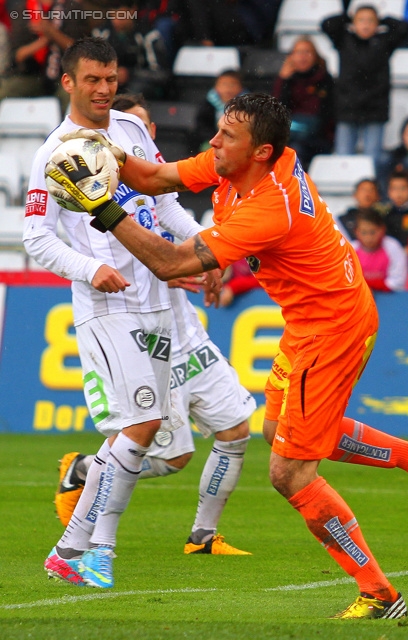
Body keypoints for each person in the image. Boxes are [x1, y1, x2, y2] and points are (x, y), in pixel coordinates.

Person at [53, 92, 408, 619]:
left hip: (333, 329)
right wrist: (104, 152)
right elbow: (155, 178)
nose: (214, 141)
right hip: (313, 320)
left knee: (289, 472)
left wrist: (101, 206)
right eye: (219, 129)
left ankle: (379, 594)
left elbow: (172, 264)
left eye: (227, 136)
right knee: (282, 432)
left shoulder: (271, 205)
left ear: (262, 151)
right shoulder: (236, 162)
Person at [23, 37, 213, 590]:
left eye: (110, 79)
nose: (104, 89)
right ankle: (91, 549)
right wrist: (89, 268)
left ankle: (76, 549)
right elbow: (36, 238)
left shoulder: (130, 130)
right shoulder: (53, 154)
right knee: (143, 425)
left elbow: (164, 203)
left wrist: (205, 248)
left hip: (159, 298)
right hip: (108, 305)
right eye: (92, 80)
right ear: (69, 82)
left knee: (133, 433)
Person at [54, 91, 255, 556]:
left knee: (236, 428)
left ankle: (202, 537)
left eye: (142, 127)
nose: (135, 135)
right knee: (172, 456)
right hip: (142, 329)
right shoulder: (94, 187)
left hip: (185, 331)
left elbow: (174, 221)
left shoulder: (156, 185)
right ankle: (85, 473)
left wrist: (209, 253)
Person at [321, 5, 408, 163]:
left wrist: (383, 19)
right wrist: (348, 17)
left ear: (377, 24)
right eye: (361, 20)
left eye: (371, 20)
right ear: (353, 23)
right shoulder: (343, 39)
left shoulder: (384, 42)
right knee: (344, 159)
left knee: (372, 160)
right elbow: (326, 24)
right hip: (347, 108)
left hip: (375, 107)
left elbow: (404, 28)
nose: (366, 24)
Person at [272, 36, 334, 169]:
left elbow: (327, 114)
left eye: (307, 52)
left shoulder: (325, 80)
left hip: (317, 138)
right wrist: (283, 81)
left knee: (296, 150)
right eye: (299, 52)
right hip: (290, 136)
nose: (303, 57)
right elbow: (278, 110)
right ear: (291, 57)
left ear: (315, 56)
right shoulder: (286, 80)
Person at [351, 208, 408, 292]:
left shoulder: (393, 247)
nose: (368, 237)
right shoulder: (350, 250)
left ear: (382, 229)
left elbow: (398, 282)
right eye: (364, 232)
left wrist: (371, 286)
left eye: (373, 232)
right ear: (356, 232)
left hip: (389, 299)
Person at [192, 69, 247, 153]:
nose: (228, 88)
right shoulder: (207, 105)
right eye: (224, 84)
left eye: (233, 84)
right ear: (216, 87)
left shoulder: (247, 106)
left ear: (241, 87)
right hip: (211, 140)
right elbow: (202, 126)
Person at [382, 168, 408, 249]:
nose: (398, 193)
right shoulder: (386, 215)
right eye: (394, 188)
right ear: (388, 192)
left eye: (403, 188)